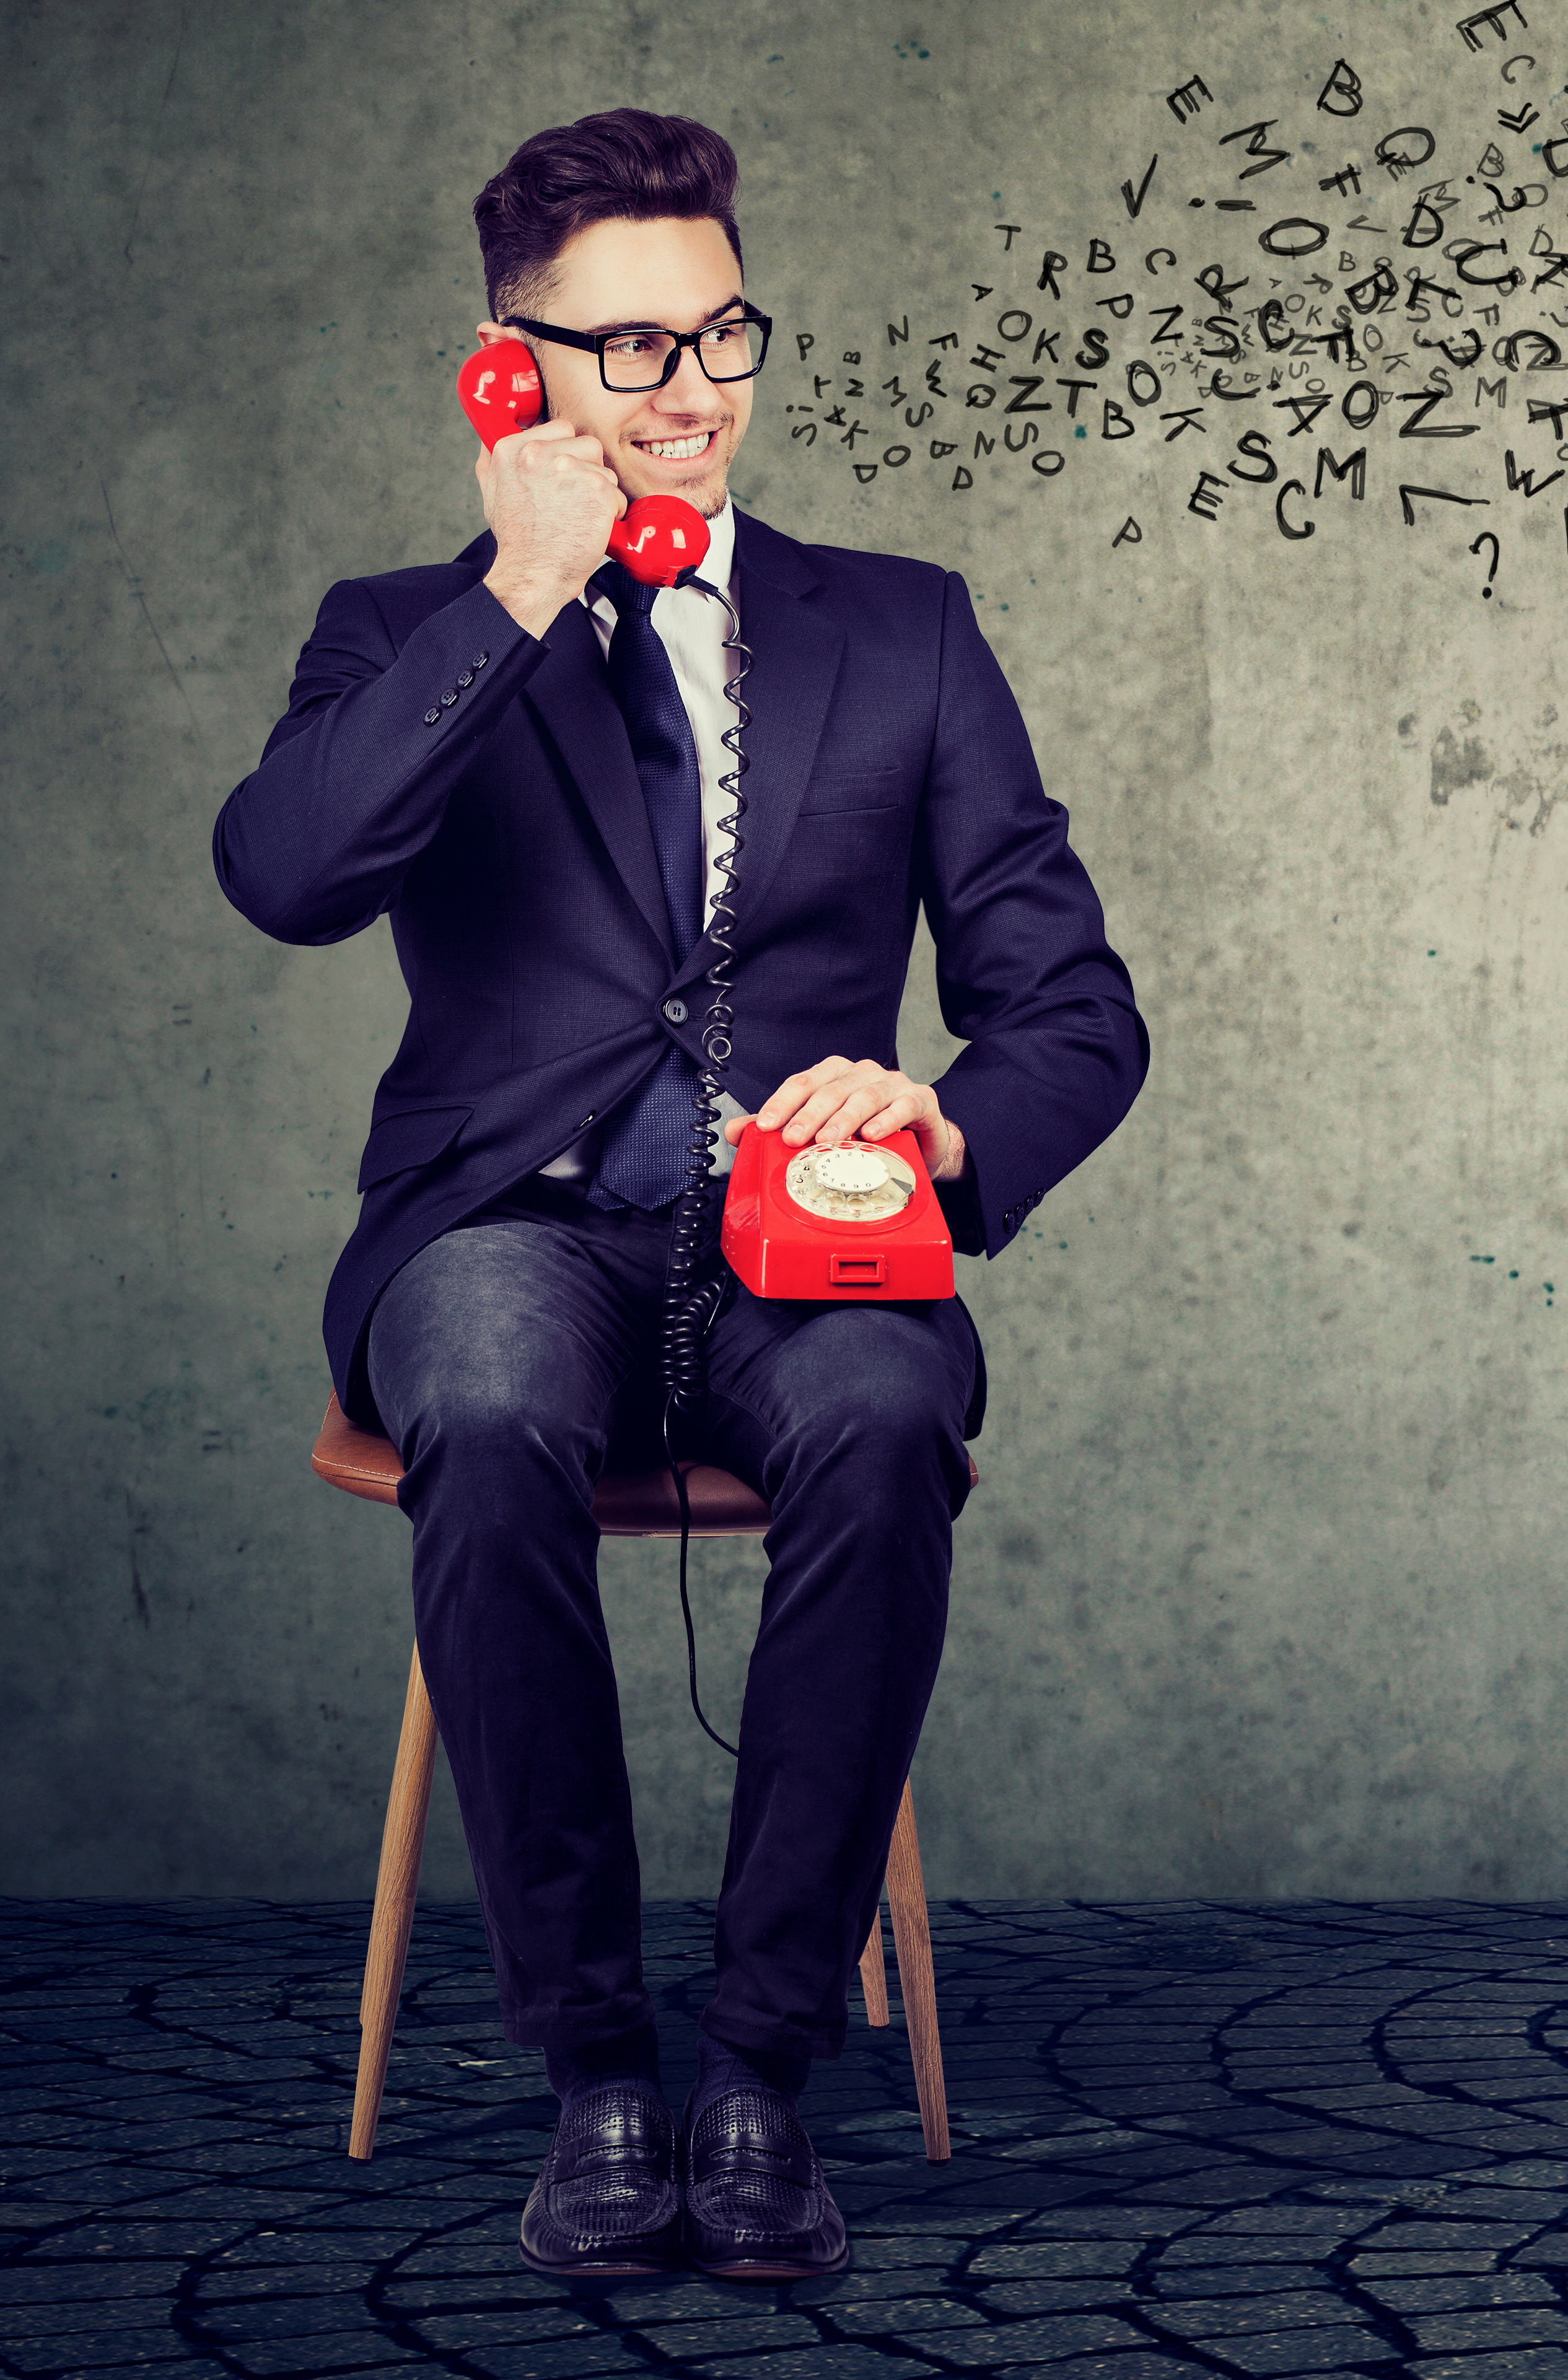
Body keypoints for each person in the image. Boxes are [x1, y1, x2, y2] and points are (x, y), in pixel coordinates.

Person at [218, 110, 1146, 2282]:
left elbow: (1071, 1002)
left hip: (794, 1235)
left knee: (893, 1415)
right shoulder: (404, 628)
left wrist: (943, 1120)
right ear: (506, 366)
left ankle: (756, 2071)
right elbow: (284, 875)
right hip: (506, 1222)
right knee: (496, 1409)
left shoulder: (901, 632)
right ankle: (596, 2075)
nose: (691, 389)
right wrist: (524, 584)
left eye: (721, 329)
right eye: (626, 347)